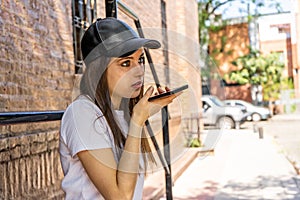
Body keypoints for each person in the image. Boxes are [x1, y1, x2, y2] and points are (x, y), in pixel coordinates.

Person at [59, 17, 181, 200]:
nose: (139, 70)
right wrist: (138, 121)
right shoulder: (82, 114)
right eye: (125, 63)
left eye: (140, 60)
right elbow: (120, 196)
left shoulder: (123, 115)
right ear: (98, 69)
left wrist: (141, 114)